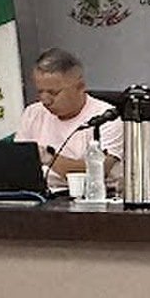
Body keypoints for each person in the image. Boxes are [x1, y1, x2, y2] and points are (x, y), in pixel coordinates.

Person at [17, 47, 124, 193]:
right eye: (40, 91)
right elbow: (18, 164)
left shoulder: (107, 118)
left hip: (90, 197)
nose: (45, 100)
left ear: (80, 87)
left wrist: (48, 158)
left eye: (53, 93)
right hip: (40, 194)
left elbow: (98, 172)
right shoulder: (33, 113)